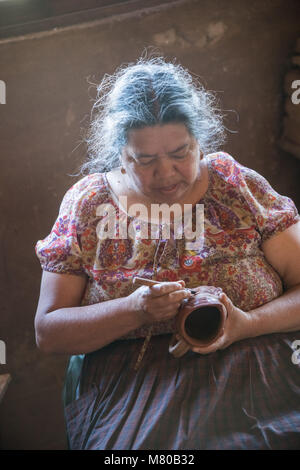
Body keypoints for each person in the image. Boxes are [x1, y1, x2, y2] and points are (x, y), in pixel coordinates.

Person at [34, 57, 300, 450]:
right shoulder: (90, 206)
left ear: (199, 141)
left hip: (264, 365)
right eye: (145, 160)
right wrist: (134, 310)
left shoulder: (234, 185)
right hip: (140, 384)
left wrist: (245, 324)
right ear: (120, 153)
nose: (167, 174)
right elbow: (49, 331)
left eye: (181, 153)